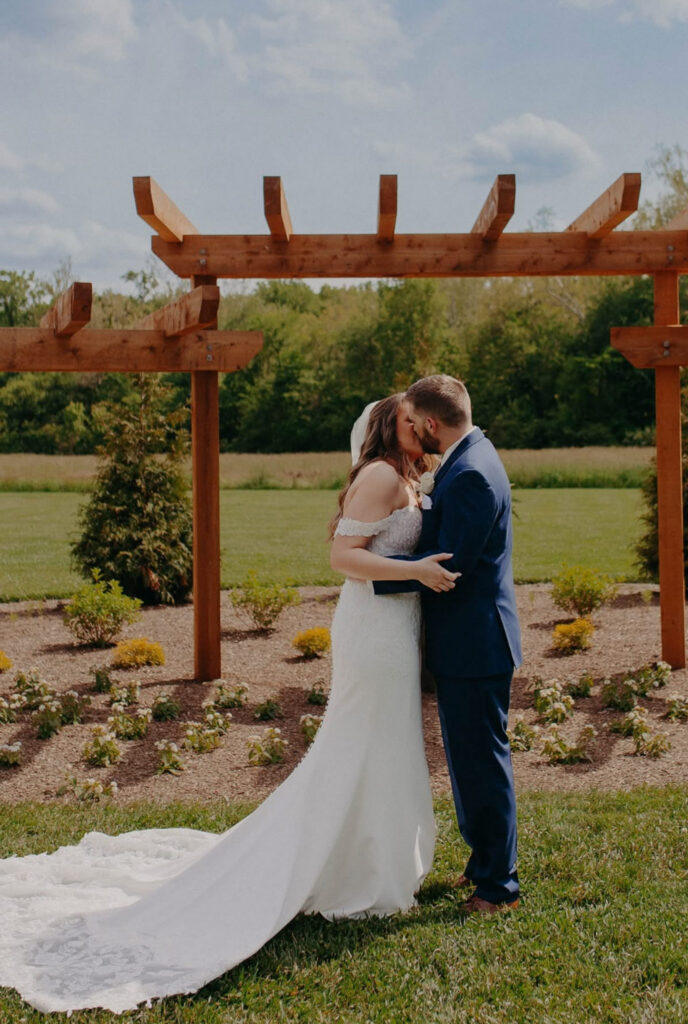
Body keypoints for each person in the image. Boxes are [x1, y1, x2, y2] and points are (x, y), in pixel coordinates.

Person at [0, 393, 457, 1015]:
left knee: (386, 742)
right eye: (409, 421)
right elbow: (341, 559)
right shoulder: (379, 475)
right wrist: (418, 573)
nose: (420, 429)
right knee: (361, 742)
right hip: (374, 629)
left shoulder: (408, 476)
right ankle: (352, 869)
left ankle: (373, 860)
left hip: (396, 626)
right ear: (386, 428)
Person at [374, 375, 522, 913]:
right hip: (471, 641)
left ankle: (498, 887)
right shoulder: (469, 459)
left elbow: (449, 567)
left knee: (482, 763)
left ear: (431, 423)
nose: (412, 432)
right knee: (468, 762)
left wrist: (366, 572)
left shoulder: (472, 477)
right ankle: (483, 863)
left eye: (414, 423)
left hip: (475, 644)